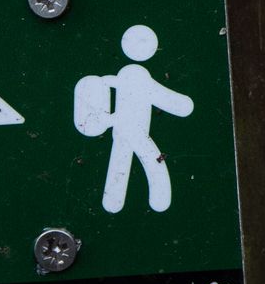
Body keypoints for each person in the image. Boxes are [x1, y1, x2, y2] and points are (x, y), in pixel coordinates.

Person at [73, 24, 195, 213]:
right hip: (126, 129)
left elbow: (166, 99)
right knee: (131, 163)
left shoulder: (133, 76)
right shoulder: (127, 76)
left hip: (133, 131)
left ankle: (137, 203)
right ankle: (122, 202)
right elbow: (170, 101)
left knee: (140, 163)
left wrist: (183, 105)